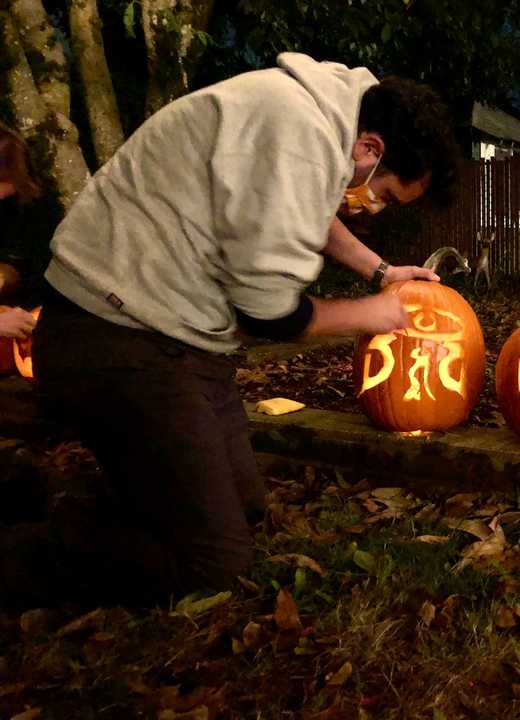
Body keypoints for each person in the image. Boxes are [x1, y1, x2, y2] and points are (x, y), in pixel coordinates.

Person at [0, 53, 459, 608]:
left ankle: (91, 498)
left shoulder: (322, 117)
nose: (373, 207)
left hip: (183, 335)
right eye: (383, 194)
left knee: (244, 507)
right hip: (113, 332)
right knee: (213, 563)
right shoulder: (298, 133)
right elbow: (270, 314)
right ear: (370, 150)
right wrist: (370, 314)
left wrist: (381, 272)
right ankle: (29, 550)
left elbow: (307, 210)